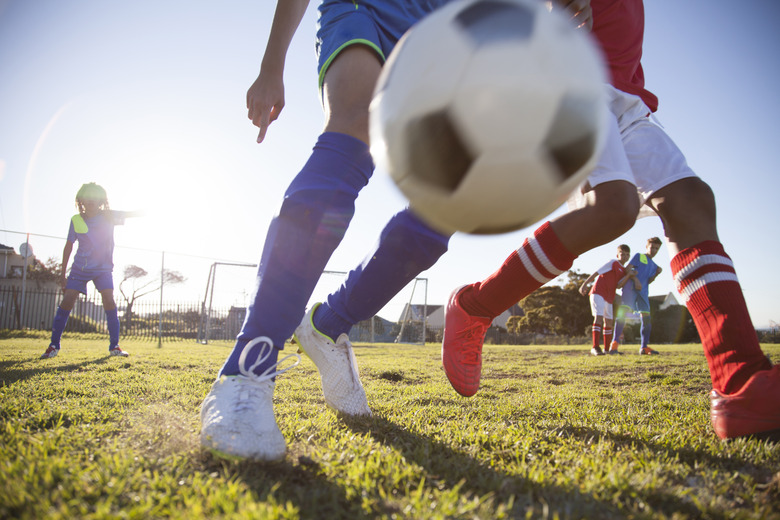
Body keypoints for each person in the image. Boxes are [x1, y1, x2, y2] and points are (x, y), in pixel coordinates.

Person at [199, 0, 597, 461]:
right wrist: (272, 64)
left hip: (445, 35)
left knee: (446, 207)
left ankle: (329, 325)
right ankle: (247, 369)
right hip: (363, 7)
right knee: (354, 128)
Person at [441, 0, 779, 441]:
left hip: (626, 98)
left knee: (691, 201)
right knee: (612, 207)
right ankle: (476, 306)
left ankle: (741, 381)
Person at [40, 183, 139, 359]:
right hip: (80, 268)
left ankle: (114, 346)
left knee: (109, 300)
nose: (91, 199)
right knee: (68, 301)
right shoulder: (76, 220)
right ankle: (53, 345)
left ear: (101, 200)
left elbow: (130, 214)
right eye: (87, 196)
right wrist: (62, 274)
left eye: (95, 196)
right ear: (81, 200)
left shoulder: (109, 216)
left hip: (103, 269)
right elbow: (68, 246)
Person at [579, 244, 636, 356]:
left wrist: (629, 275)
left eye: (627, 255)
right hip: (598, 292)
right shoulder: (613, 262)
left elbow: (619, 286)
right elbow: (597, 272)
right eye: (622, 254)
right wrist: (584, 284)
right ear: (617, 255)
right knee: (599, 317)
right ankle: (595, 347)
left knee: (609, 321)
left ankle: (607, 349)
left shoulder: (624, 270)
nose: (624, 256)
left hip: (609, 297)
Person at [612, 236, 663, 355]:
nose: (654, 250)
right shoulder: (639, 256)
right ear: (647, 247)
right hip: (630, 288)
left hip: (644, 292)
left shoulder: (654, 265)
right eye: (652, 247)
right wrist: (635, 280)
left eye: (656, 248)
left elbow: (648, 281)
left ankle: (644, 347)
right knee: (622, 314)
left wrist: (656, 274)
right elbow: (627, 269)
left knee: (646, 319)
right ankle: (614, 345)